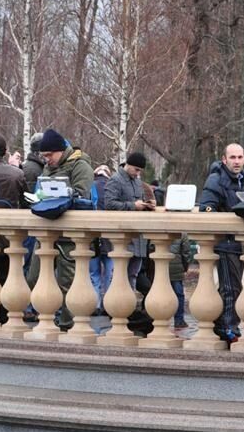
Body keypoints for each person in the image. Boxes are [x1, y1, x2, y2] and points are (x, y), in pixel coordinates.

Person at [31, 129, 94, 329]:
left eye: (50, 155)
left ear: (61, 150)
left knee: (68, 282)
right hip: (47, 230)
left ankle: (68, 324)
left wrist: (64, 194)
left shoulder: (80, 165)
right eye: (44, 156)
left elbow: (82, 196)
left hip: (69, 234)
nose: (47, 160)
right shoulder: (49, 166)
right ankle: (47, 318)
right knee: (34, 278)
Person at [198, 143, 244, 342]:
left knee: (234, 287)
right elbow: (206, 209)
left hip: (240, 242)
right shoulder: (216, 179)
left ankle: (224, 325)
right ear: (224, 159)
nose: (236, 161)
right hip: (224, 242)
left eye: (239, 157)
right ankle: (228, 329)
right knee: (230, 287)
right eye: (232, 157)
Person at [104, 151, 154, 289]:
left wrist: (147, 205)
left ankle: (129, 307)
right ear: (128, 165)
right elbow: (108, 204)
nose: (138, 173)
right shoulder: (115, 180)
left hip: (138, 237)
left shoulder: (138, 182)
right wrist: (133, 205)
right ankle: (115, 307)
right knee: (118, 275)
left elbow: (140, 202)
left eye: (140, 171)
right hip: (122, 236)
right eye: (136, 169)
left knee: (133, 275)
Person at [89, 165, 113, 315]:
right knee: (110, 275)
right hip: (110, 239)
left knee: (94, 275)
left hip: (92, 238)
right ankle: (109, 305)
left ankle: (96, 305)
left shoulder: (90, 186)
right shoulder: (113, 187)